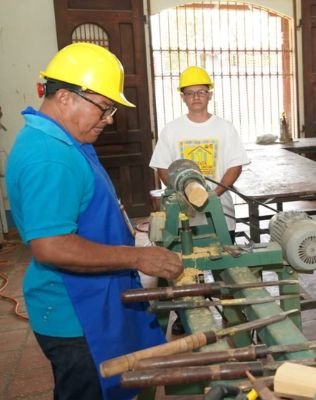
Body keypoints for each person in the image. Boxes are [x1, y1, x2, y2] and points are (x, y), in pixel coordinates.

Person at [6, 42, 183, 400]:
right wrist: (137, 257)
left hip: (92, 297)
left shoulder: (65, 141)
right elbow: (51, 245)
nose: (109, 118)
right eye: (104, 107)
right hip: (76, 312)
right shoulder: (49, 156)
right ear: (66, 97)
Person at [150, 66, 250, 241]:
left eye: (201, 92)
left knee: (226, 264)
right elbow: (163, 168)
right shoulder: (171, 130)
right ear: (183, 98)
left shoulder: (225, 128)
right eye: (189, 93)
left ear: (210, 95)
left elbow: (235, 166)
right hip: (184, 216)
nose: (196, 97)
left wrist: (212, 195)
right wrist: (183, 196)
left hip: (221, 213)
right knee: (191, 265)